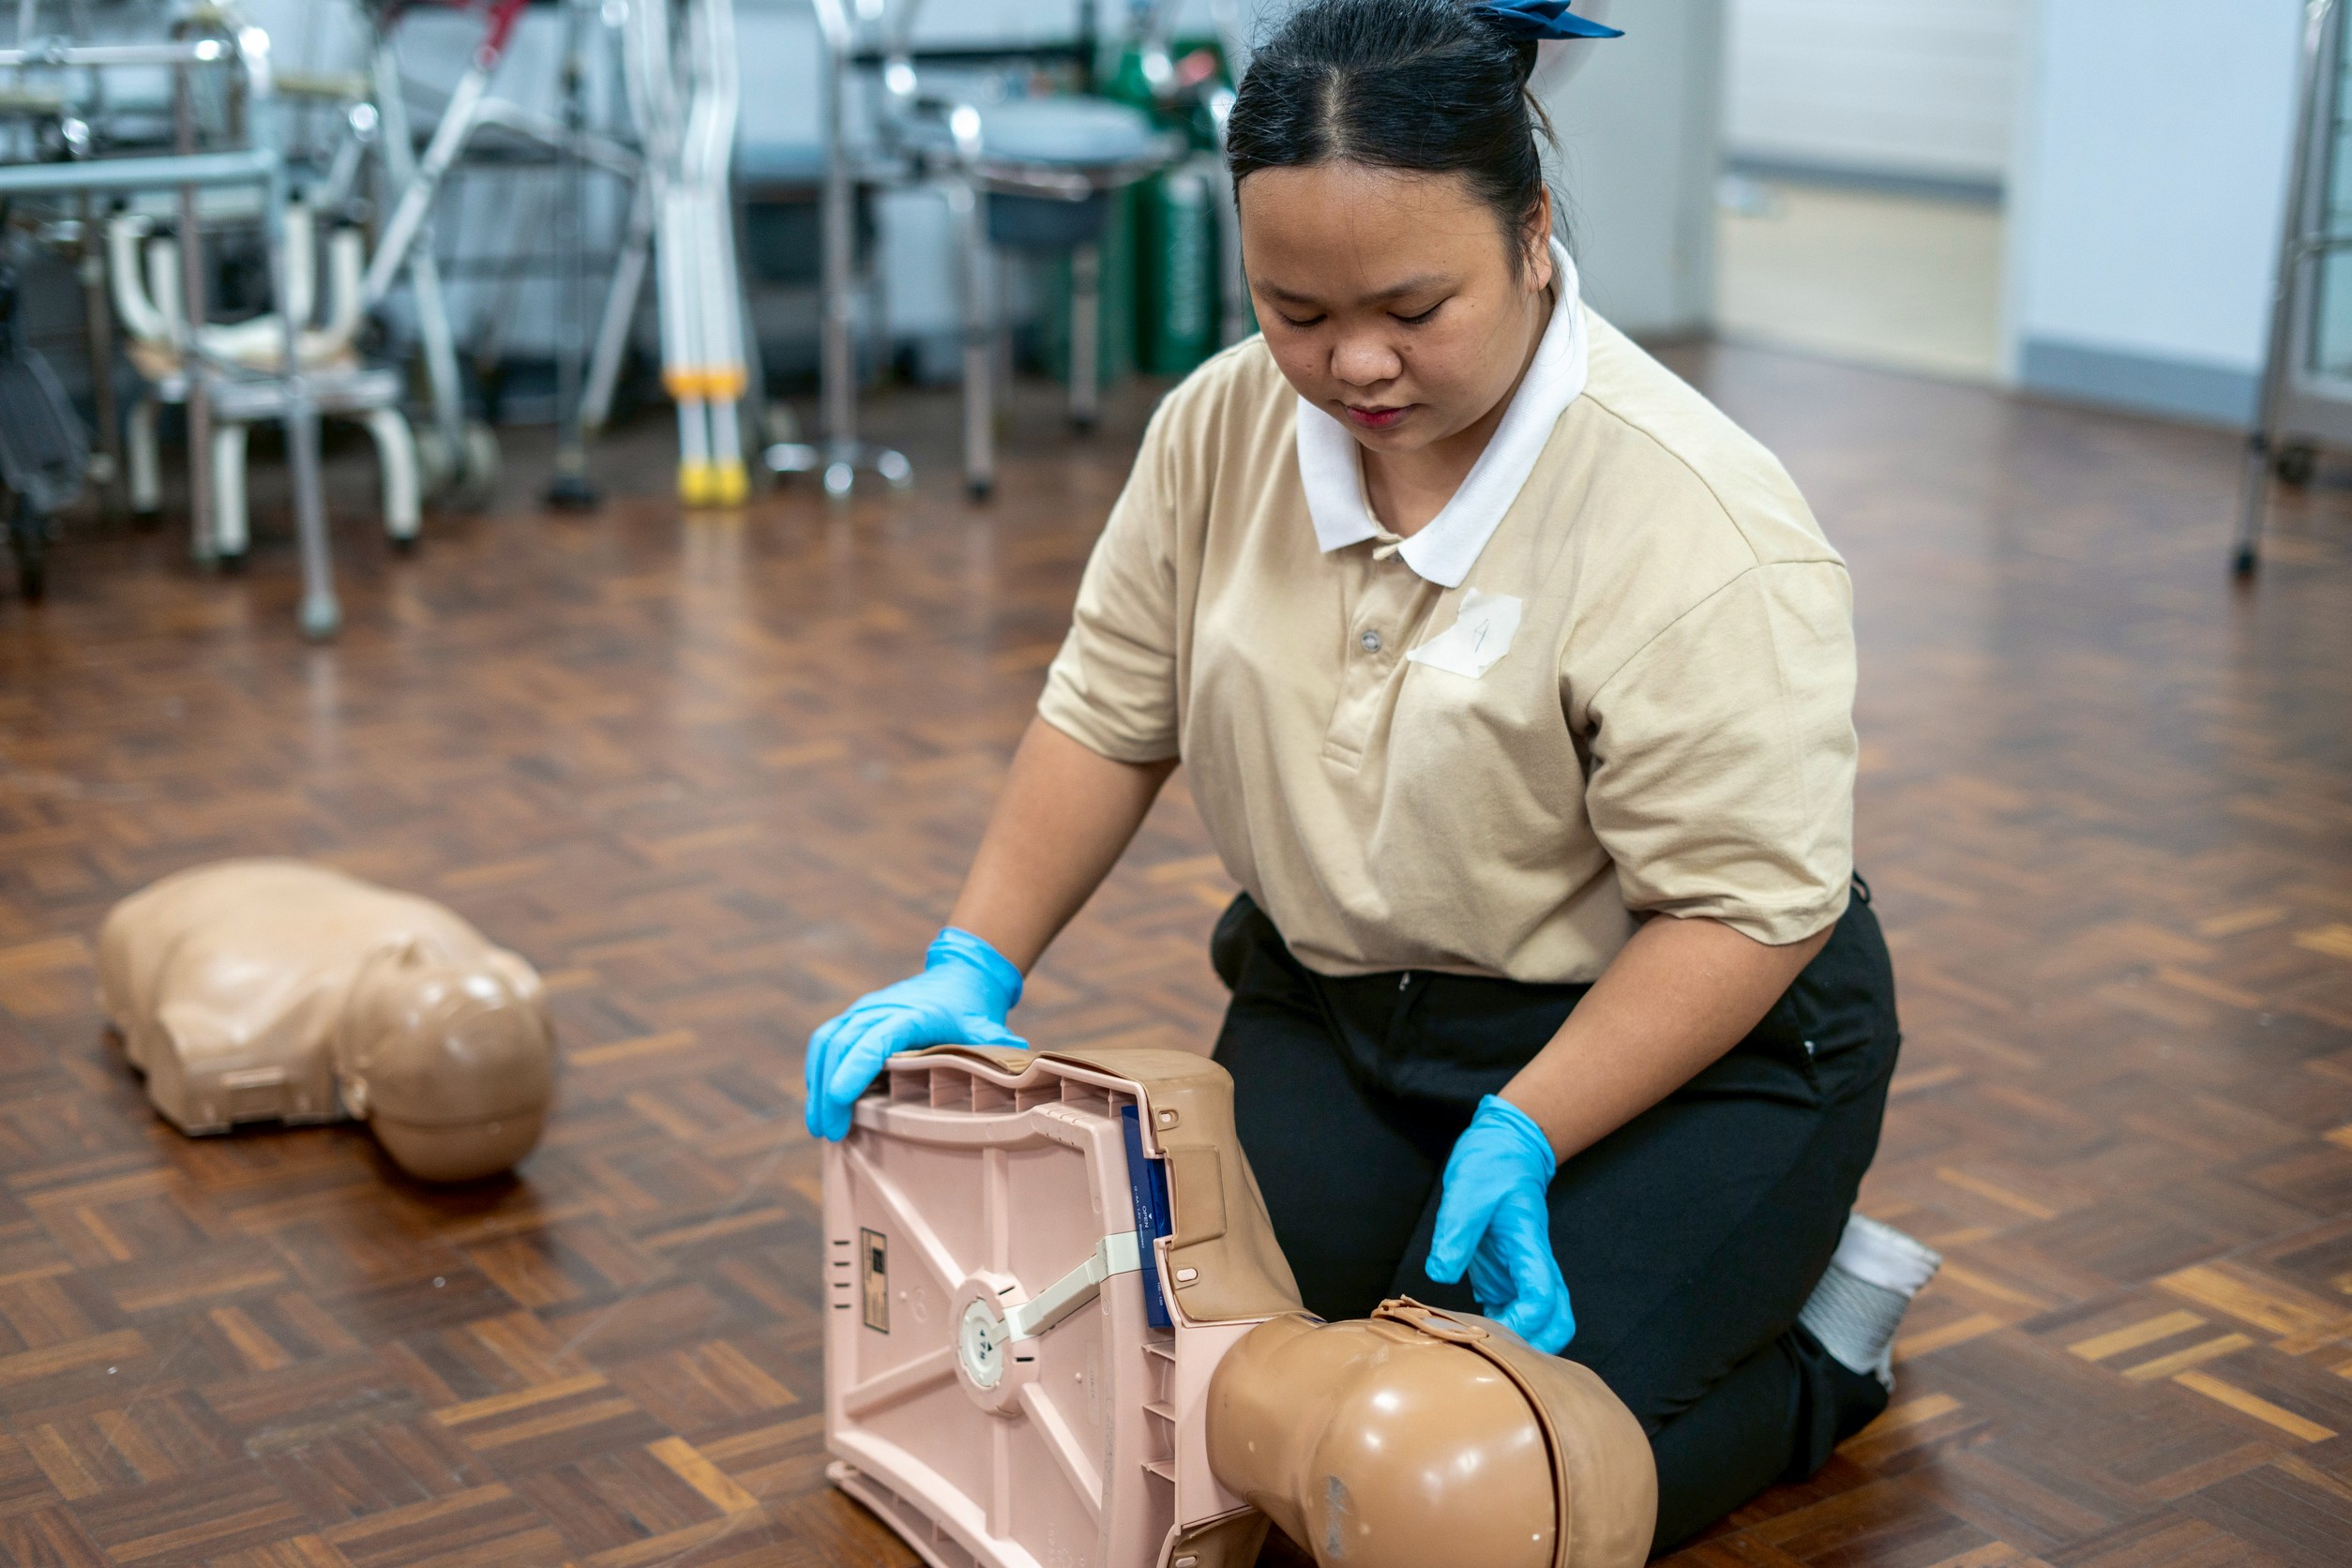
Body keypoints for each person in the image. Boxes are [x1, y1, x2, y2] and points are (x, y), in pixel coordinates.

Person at [802, 0, 1941, 1546]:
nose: (1354, 364)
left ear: (1531, 237)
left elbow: (1745, 911)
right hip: (1341, 1013)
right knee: (1194, 1418)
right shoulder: (1218, 428)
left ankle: (1820, 1346)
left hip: (1679, 1047)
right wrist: (972, 963)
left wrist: (1531, 1128)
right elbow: (1108, 713)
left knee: (1448, 1494)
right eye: (1295, 309)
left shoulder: (1697, 521)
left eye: (1414, 306)